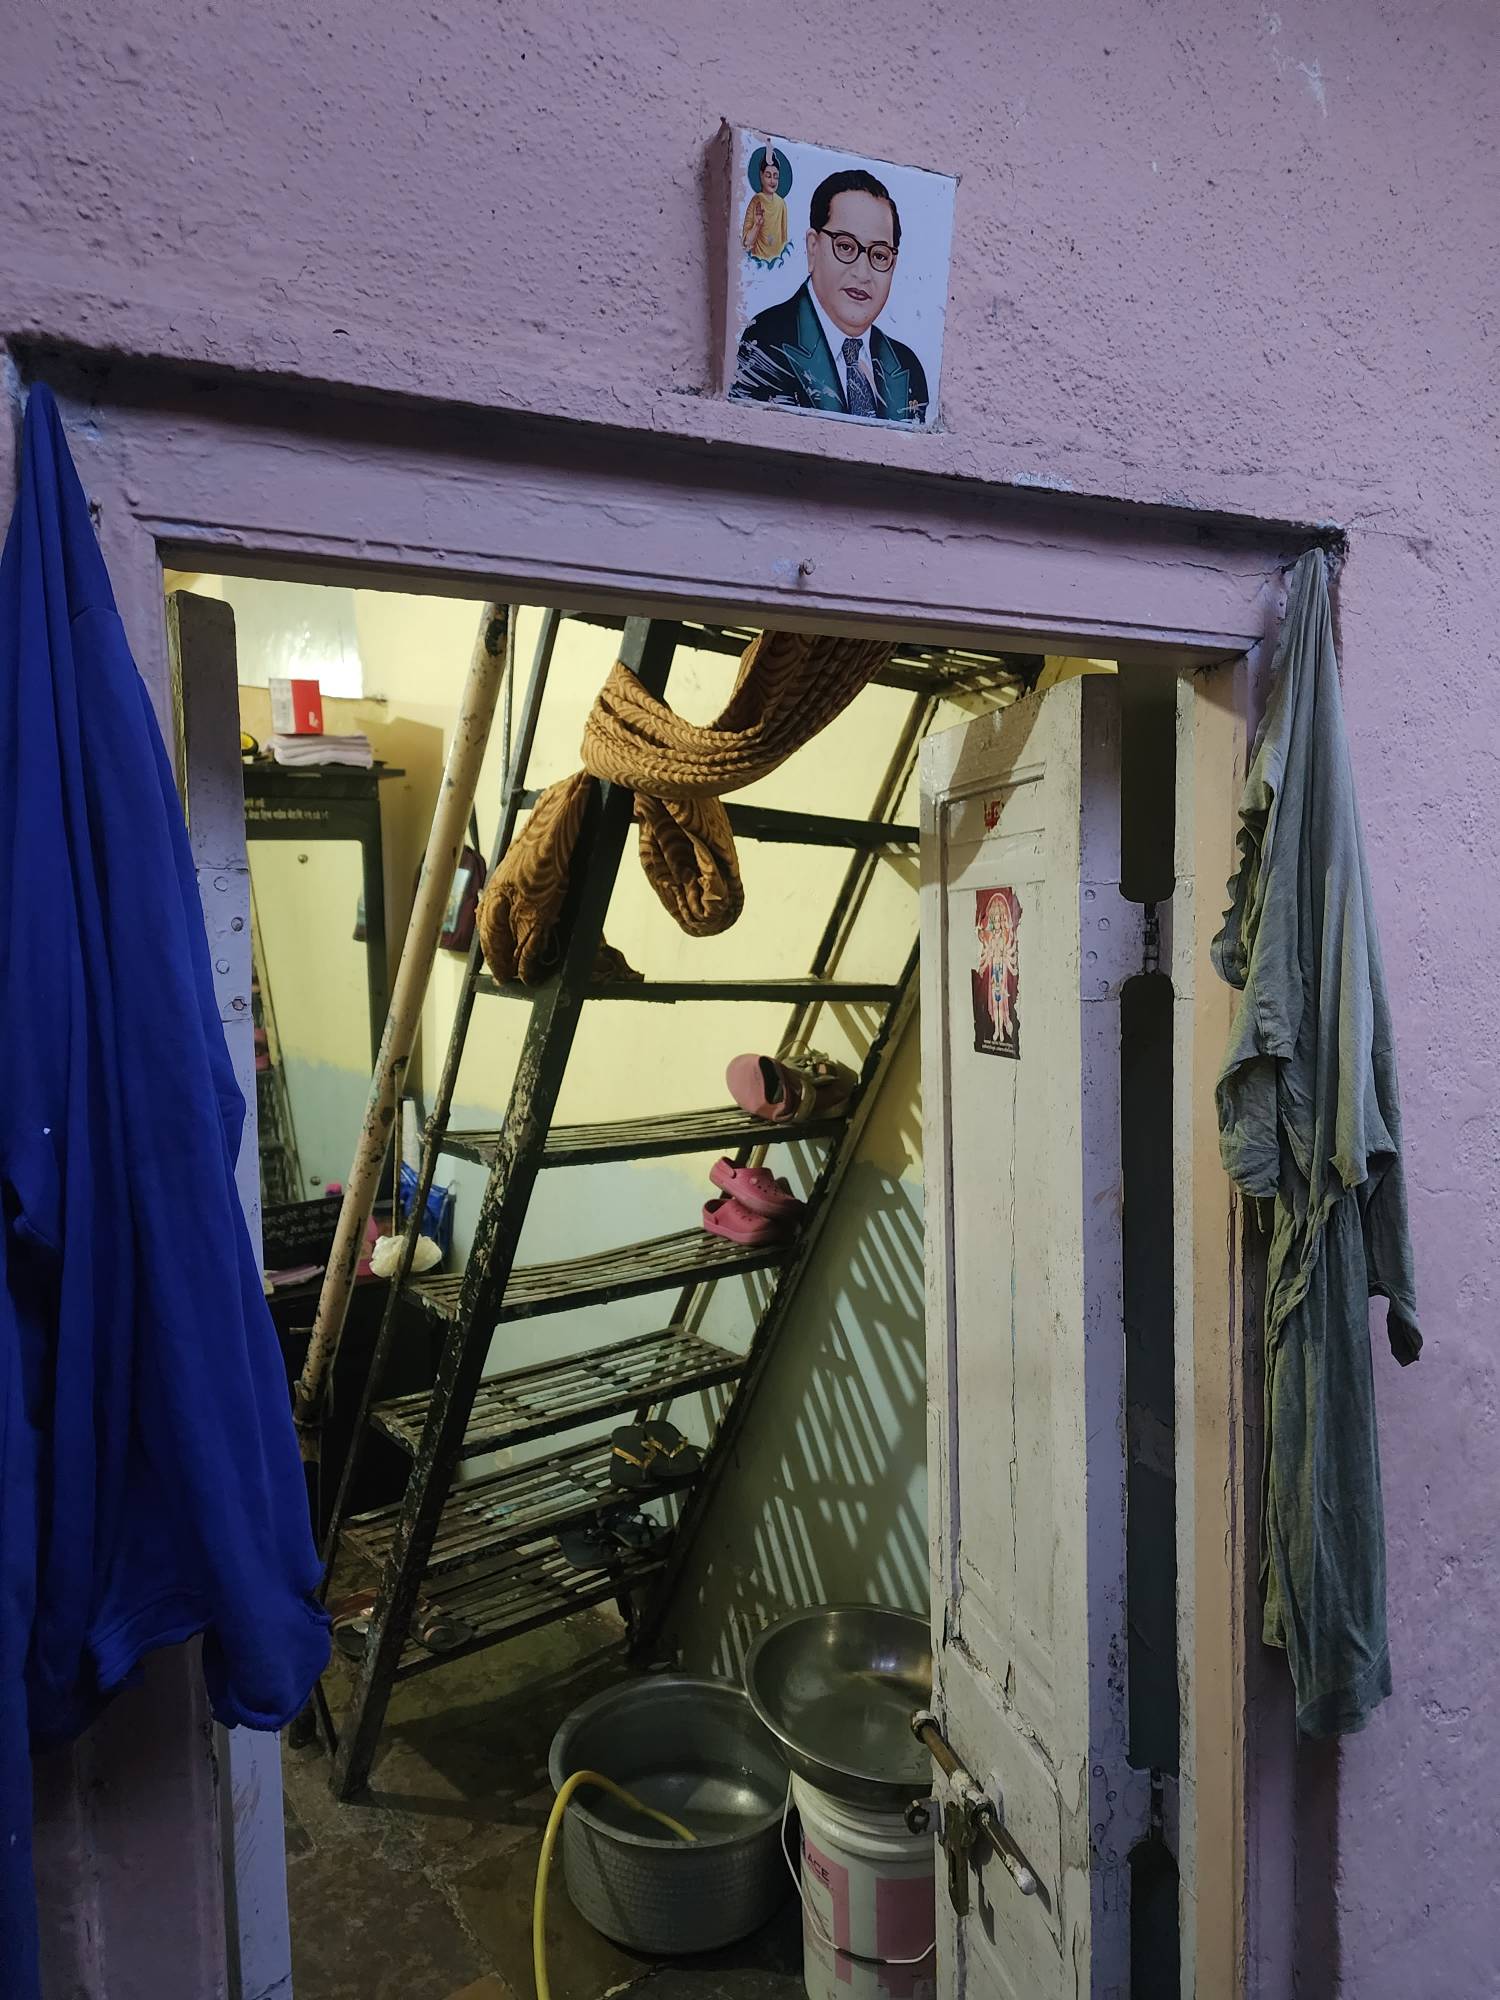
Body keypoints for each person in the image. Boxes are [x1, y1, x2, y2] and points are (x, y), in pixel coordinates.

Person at [730, 167, 930, 424]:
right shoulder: (766, 343)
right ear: (813, 247)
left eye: (879, 255)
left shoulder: (907, 365)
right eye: (845, 247)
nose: (862, 273)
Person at [741, 147, 790, 266]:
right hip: (758, 263)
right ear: (761, 175)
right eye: (768, 176)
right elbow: (746, 243)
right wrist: (757, 225)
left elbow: (784, 239)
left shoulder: (781, 204)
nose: (772, 181)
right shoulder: (756, 201)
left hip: (778, 263)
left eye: (776, 176)